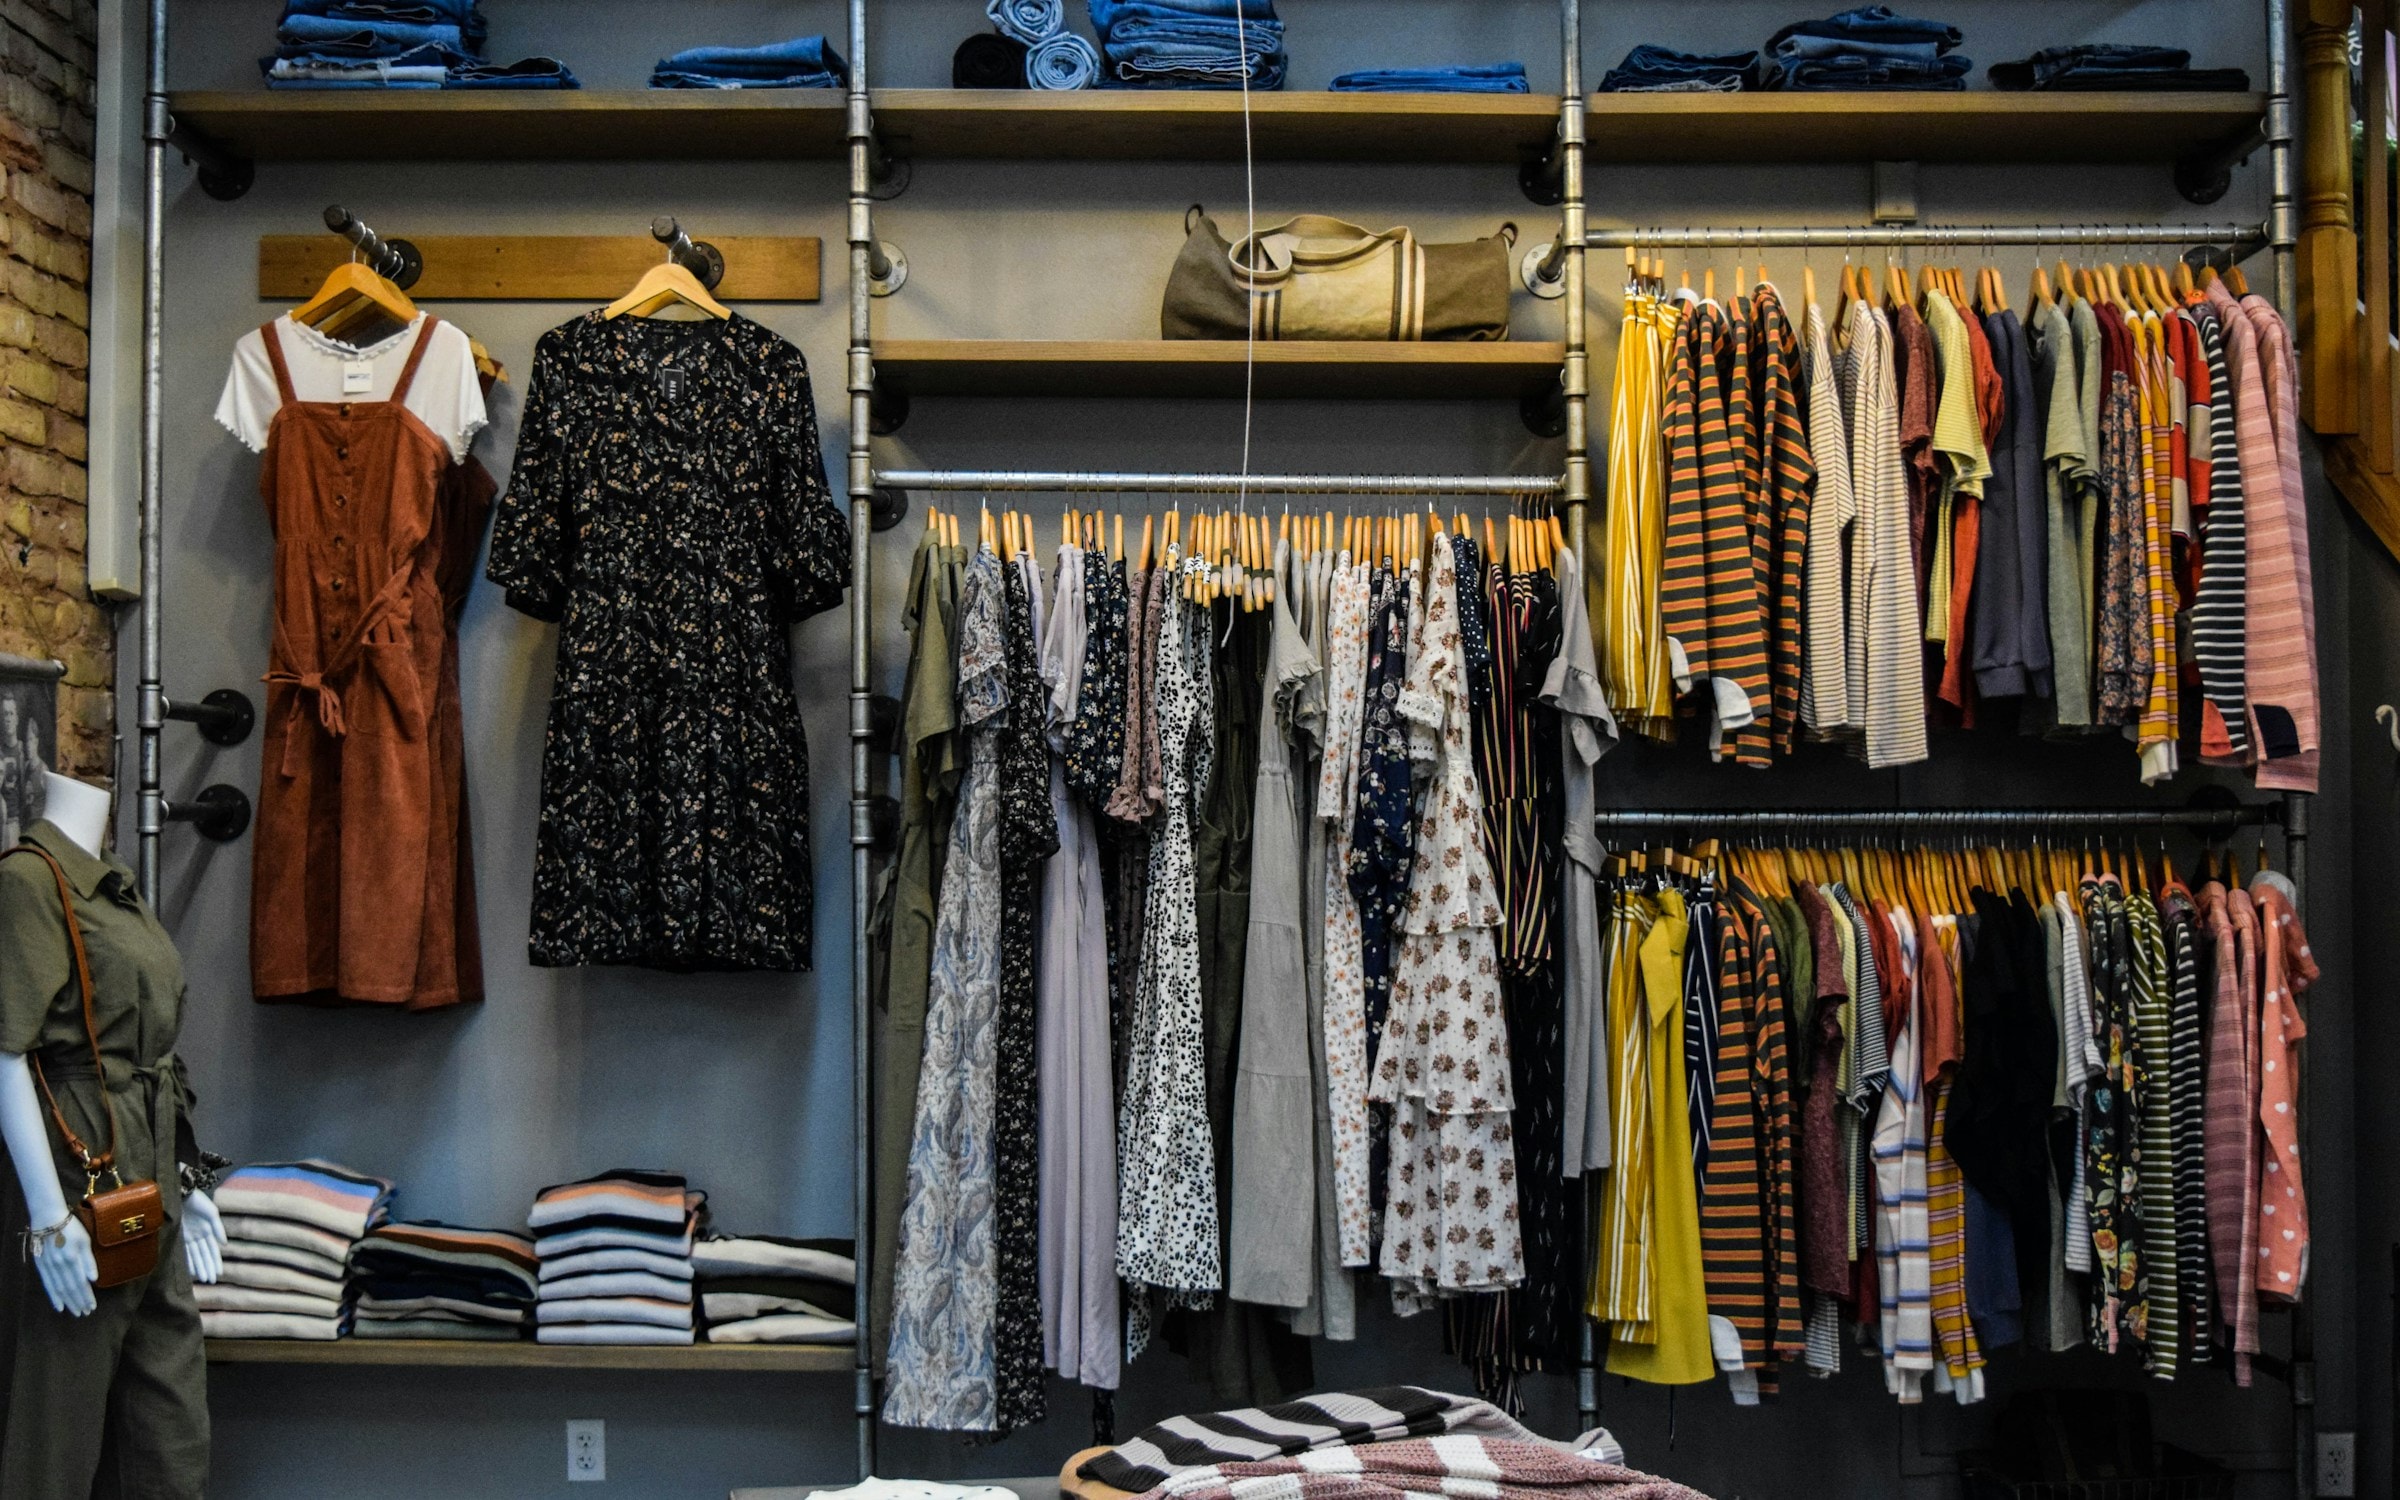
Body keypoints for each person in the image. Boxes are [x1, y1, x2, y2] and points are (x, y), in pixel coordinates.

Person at [0, 771, 220, 1497]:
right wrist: (45, 1216)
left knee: (170, 1420)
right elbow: (4, 1052)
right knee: (56, 1421)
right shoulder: (31, 882)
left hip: (148, 1160)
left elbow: (155, 1049)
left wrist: (187, 1174)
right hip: (80, 1164)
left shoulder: (114, 886)